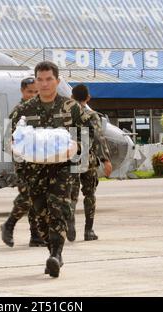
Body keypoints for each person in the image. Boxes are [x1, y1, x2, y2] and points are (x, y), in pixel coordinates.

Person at [9, 61, 111, 278]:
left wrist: (79, 146)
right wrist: (14, 150)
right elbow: (13, 139)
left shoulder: (71, 107)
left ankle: (56, 254)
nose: (44, 84)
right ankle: (51, 249)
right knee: (40, 215)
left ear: (57, 81)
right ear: (35, 80)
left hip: (63, 170)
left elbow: (89, 132)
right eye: (40, 79)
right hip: (33, 172)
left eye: (49, 79)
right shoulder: (23, 110)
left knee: (58, 210)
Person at [0, 77, 46, 247]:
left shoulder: (42, 109)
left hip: (41, 160)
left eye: (36, 91)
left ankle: (35, 235)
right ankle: (9, 224)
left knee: (38, 198)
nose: (33, 95)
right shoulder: (19, 111)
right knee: (27, 196)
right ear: (22, 92)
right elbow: (6, 139)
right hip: (24, 162)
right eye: (30, 92)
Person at [69, 84, 112, 242]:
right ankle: (89, 230)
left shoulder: (66, 114)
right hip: (88, 158)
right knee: (90, 194)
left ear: (71, 98)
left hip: (72, 157)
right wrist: (106, 160)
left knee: (71, 195)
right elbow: (100, 138)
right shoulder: (92, 115)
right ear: (88, 98)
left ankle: (70, 225)